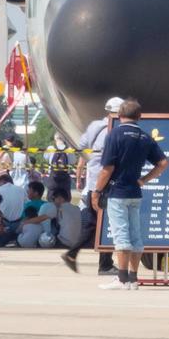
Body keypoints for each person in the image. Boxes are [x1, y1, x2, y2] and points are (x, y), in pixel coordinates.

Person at [96, 99, 169, 290]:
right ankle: (133, 278)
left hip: (117, 191)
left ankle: (121, 278)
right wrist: (144, 180)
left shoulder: (115, 135)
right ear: (139, 117)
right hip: (135, 192)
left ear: (119, 115)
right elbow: (162, 163)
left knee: (121, 235)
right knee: (136, 235)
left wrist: (96, 191)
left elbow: (107, 168)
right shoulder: (145, 137)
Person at [64, 96, 123, 275]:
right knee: (108, 224)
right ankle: (104, 265)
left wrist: (93, 160)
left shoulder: (94, 126)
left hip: (92, 183)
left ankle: (73, 254)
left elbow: (81, 146)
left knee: (92, 224)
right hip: (104, 184)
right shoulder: (115, 131)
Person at [16, 180, 57, 247]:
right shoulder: (47, 204)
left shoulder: (28, 205)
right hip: (46, 234)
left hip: (30, 234)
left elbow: (23, 220)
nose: (27, 192)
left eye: (29, 191)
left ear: (36, 193)